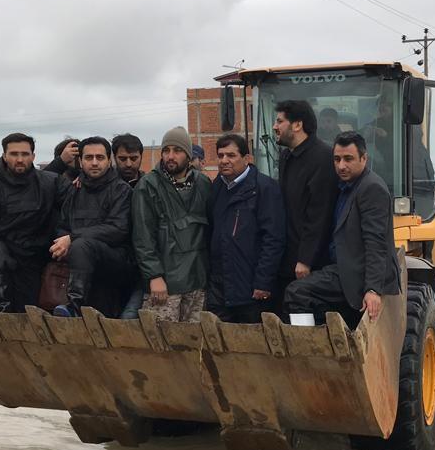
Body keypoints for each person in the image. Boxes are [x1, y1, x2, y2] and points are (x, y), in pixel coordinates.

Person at [284, 132, 400, 326]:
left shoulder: (371, 188)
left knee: (296, 293)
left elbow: (376, 243)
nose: (341, 166)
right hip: (339, 267)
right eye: (337, 159)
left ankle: (306, 347)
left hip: (356, 274)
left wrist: (372, 290)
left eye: (348, 159)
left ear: (364, 158)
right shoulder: (344, 186)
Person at [0, 132, 70, 312]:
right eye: (14, 154)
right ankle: (1, 310)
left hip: (35, 254)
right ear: (4, 156)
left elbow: (74, 210)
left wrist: (67, 237)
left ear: (33, 156)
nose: (19, 159)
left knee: (29, 306)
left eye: (25, 154)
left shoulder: (51, 183)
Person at [132, 126, 212, 322]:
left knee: (195, 345)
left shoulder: (203, 184)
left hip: (198, 281)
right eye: (166, 151)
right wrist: (154, 276)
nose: (170, 156)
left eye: (177, 151)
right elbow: (143, 236)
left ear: (188, 154)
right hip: (164, 285)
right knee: (161, 346)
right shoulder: (148, 186)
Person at [49, 137, 133, 317]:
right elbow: (63, 224)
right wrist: (61, 244)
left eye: (100, 157)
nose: (94, 163)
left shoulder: (121, 190)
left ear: (109, 160)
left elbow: (118, 229)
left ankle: (74, 306)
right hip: (77, 268)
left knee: (81, 245)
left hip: (113, 263)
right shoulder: (74, 189)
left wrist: (72, 239)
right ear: (80, 161)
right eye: (88, 158)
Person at [206, 133, 285, 323]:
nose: (224, 161)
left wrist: (263, 282)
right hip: (220, 287)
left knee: (251, 346)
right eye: (221, 155)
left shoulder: (265, 188)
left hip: (252, 290)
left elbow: (273, 239)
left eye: (231, 156)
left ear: (247, 158)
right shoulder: (217, 187)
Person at [273, 99, 339, 293]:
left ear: (297, 125)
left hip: (310, 265)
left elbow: (319, 214)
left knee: (306, 318)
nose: (275, 127)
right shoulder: (286, 156)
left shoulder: (323, 158)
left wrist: (305, 259)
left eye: (279, 121)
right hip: (287, 258)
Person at [110, 133, 146, 318]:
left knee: (130, 319)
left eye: (134, 158)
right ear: (114, 157)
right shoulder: (103, 185)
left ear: (141, 156)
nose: (129, 164)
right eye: (122, 159)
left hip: (141, 265)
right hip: (111, 263)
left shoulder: (149, 185)